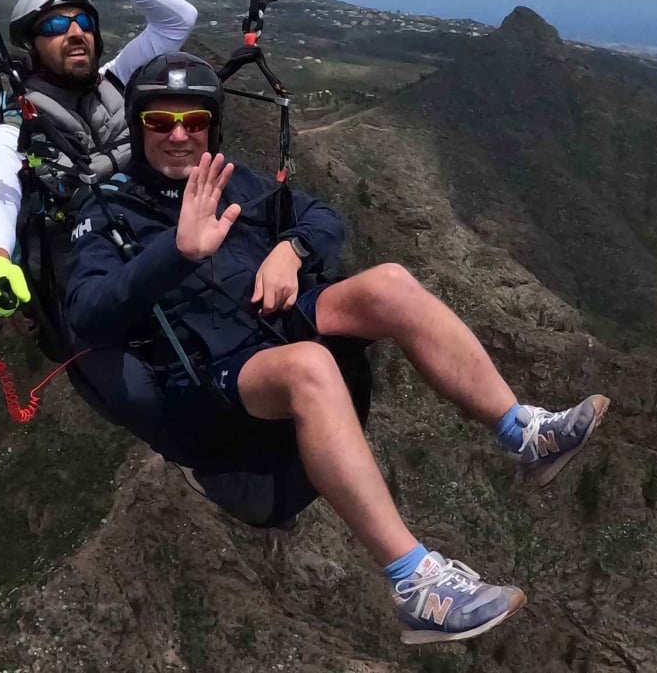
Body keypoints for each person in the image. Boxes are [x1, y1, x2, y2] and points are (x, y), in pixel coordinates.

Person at [61, 52, 612, 645]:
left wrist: (290, 250)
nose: (178, 135)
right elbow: (88, 313)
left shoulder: (232, 181)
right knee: (311, 367)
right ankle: (416, 587)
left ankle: (523, 432)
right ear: (138, 124)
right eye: (159, 121)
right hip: (208, 373)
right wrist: (177, 251)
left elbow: (322, 216)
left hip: (271, 317)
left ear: (211, 125)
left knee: (391, 282)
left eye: (193, 120)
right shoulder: (108, 213)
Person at [0, 0, 199, 323]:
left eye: (84, 23)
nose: (75, 32)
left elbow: (179, 19)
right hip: (91, 273)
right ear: (32, 46)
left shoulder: (118, 79)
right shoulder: (17, 128)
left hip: (158, 239)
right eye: (56, 26)